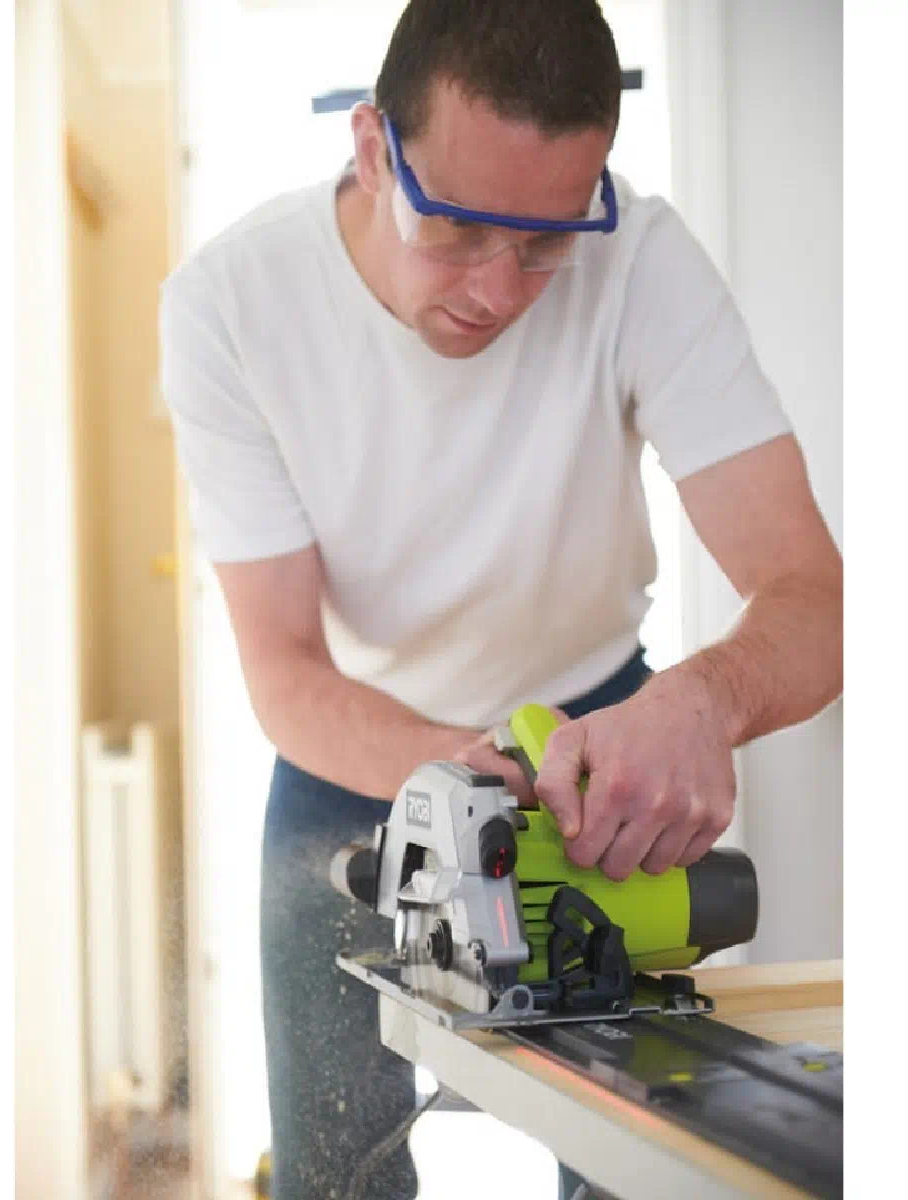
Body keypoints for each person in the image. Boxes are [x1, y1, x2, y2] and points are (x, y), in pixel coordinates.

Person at [158, 1, 842, 1195]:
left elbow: (814, 598)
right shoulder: (230, 304)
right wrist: (451, 783)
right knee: (336, 1169)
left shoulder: (644, 260)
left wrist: (705, 701)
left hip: (599, 750)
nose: (499, 288)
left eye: (547, 241)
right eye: (461, 228)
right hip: (352, 753)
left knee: (640, 1157)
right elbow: (283, 668)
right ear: (375, 148)